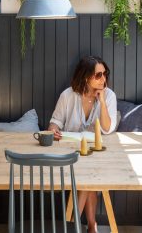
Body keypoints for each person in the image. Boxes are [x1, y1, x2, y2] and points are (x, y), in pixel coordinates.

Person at [48, 56, 117, 233]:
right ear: (86, 77)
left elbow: (107, 129)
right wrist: (53, 131)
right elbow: (55, 122)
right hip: (71, 153)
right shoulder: (68, 95)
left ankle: (73, 224)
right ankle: (91, 226)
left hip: (98, 154)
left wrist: (101, 102)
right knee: (87, 177)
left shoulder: (109, 96)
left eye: (105, 74)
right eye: (98, 75)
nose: (104, 79)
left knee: (89, 175)